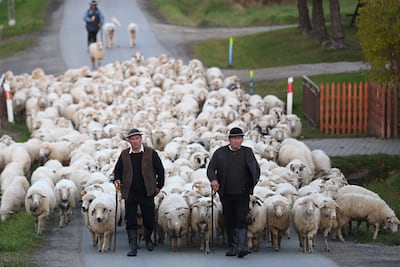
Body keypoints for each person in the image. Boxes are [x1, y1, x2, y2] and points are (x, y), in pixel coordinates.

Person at [207, 127, 260, 258]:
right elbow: (211, 169)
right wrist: (214, 180)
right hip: (226, 193)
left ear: (242, 139)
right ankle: (233, 246)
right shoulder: (220, 153)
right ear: (229, 139)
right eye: (234, 139)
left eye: (239, 138)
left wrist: (252, 184)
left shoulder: (247, 152)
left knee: (241, 218)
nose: (236, 141)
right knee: (229, 219)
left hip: (242, 192)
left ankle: (241, 246)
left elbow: (255, 169)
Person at [113, 128, 165, 257]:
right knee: (130, 219)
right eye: (132, 139)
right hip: (130, 191)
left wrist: (159, 186)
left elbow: (160, 170)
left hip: (147, 191)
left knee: (148, 217)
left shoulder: (150, 153)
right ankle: (133, 245)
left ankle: (147, 239)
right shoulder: (124, 154)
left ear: (141, 139)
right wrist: (117, 179)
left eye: (137, 138)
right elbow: (117, 170)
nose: (135, 141)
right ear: (129, 141)